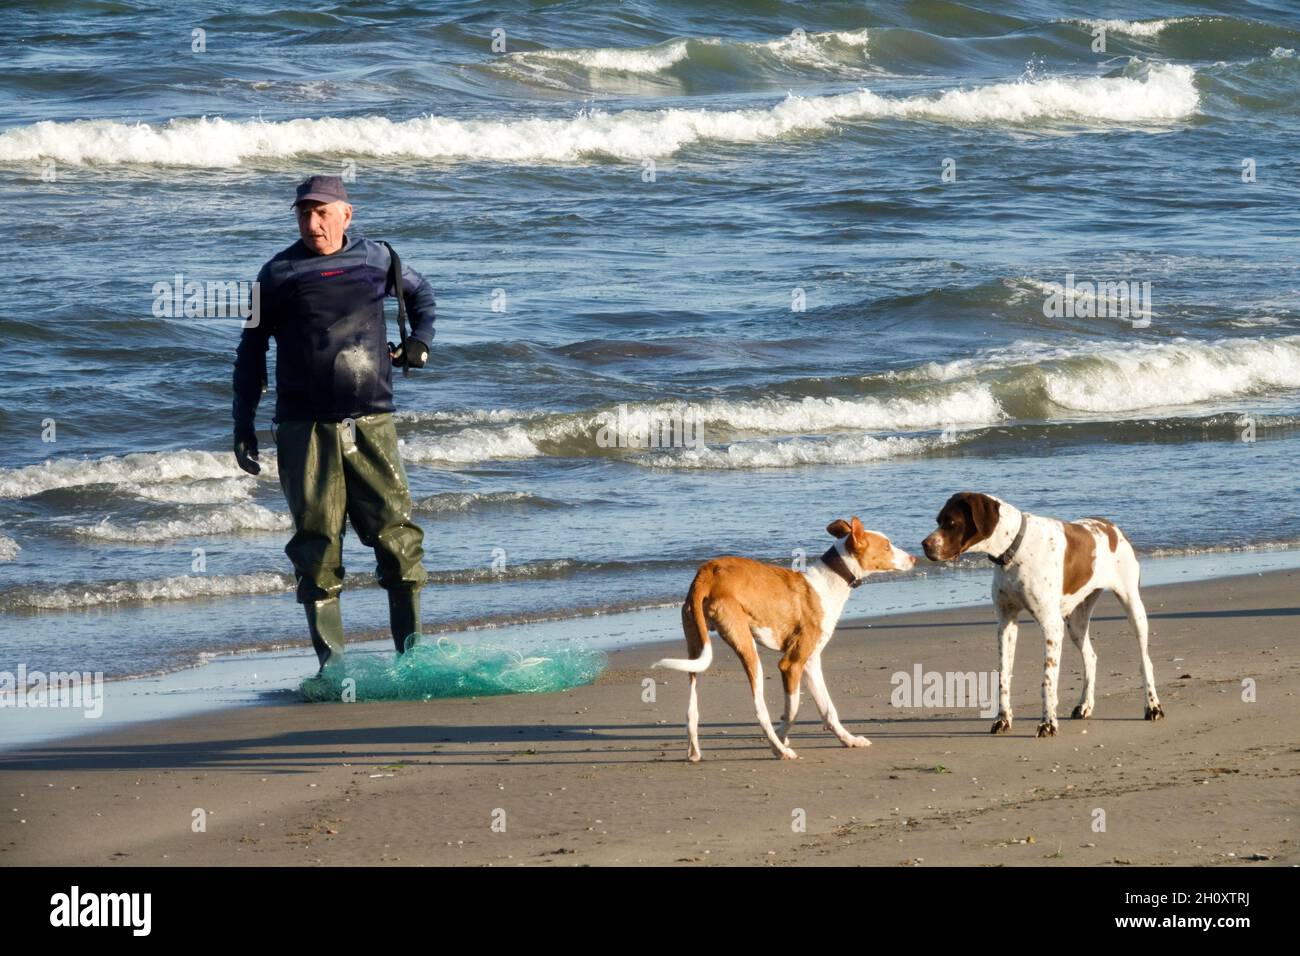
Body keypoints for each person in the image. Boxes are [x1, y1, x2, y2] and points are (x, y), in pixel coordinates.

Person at [231, 174, 436, 673]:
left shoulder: (377, 259)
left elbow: (422, 296)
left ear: (347, 214)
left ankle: (412, 659)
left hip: (373, 422)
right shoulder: (277, 274)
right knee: (316, 542)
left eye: (322, 211)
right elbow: (251, 350)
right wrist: (243, 421)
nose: (312, 222)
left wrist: (420, 343)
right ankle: (333, 666)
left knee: (397, 537)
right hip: (304, 427)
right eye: (304, 212)